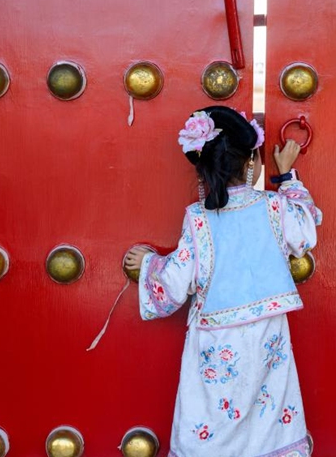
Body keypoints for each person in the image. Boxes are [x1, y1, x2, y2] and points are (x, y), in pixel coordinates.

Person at [124, 106, 322, 457]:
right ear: (252, 164)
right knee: (269, 417)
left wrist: (150, 263)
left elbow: (172, 285)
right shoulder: (274, 207)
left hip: (215, 342)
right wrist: (287, 175)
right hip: (267, 338)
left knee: (210, 417)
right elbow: (305, 231)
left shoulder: (199, 220)